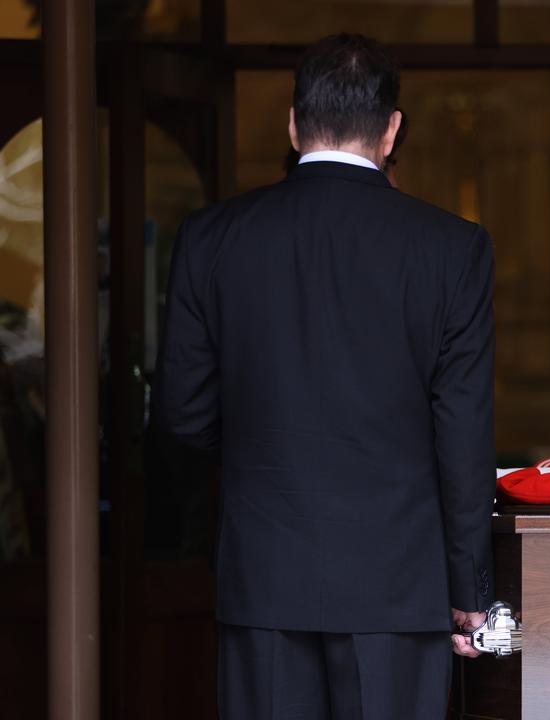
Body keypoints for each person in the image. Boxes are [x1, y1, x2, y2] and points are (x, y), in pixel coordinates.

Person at [153, 34, 496, 719]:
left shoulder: (212, 237)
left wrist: (265, 451)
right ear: (392, 130)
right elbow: (462, 432)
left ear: (292, 121)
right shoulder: (452, 248)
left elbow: (183, 416)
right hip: (398, 583)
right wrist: (470, 591)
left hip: (264, 570)